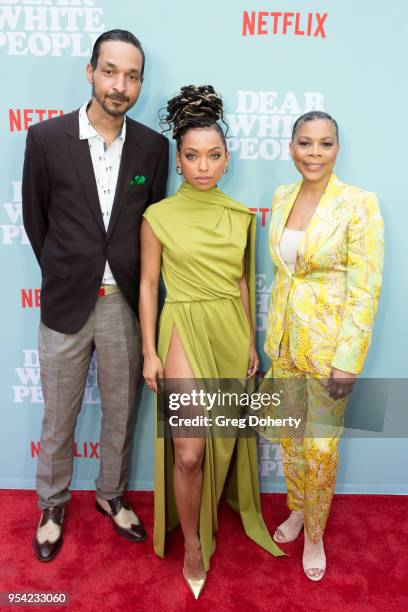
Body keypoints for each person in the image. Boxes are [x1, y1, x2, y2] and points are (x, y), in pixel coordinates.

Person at [22, 29, 169, 562]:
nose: (119, 85)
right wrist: (68, 271)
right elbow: (36, 221)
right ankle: (52, 503)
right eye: (110, 71)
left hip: (124, 307)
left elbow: (152, 227)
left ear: (140, 84)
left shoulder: (154, 148)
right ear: (90, 71)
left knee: (120, 412)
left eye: (131, 76)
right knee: (58, 414)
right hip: (65, 305)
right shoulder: (44, 138)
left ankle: (110, 495)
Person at [139, 85, 284, 599]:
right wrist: (149, 350)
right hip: (181, 325)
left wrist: (251, 343)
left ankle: (212, 520)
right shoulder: (157, 217)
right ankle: (195, 545)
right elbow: (148, 284)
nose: (203, 166)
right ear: (178, 161)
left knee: (221, 442)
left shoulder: (242, 218)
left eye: (214, 155)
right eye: (192, 156)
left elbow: (244, 281)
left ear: (227, 159)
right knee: (189, 451)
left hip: (230, 328)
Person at [263, 111, 384, 581]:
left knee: (321, 449)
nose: (314, 153)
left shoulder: (359, 204)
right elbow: (282, 275)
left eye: (325, 144)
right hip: (285, 344)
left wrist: (348, 361)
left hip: (330, 351)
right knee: (292, 442)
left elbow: (365, 288)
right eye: (305, 143)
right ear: (291, 147)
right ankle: (297, 510)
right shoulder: (281, 197)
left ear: (337, 149)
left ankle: (315, 533)